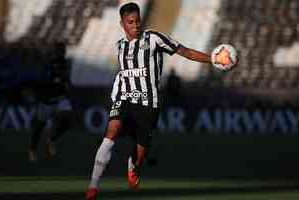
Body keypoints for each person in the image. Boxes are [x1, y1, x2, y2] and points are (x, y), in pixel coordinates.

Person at [85, 2, 232, 199]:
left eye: (137, 21)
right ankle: (93, 187)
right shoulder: (120, 46)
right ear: (122, 24)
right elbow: (122, 75)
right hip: (125, 99)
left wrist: (213, 59)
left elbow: (184, 51)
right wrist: (113, 96)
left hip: (149, 104)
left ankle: (134, 166)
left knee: (140, 152)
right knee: (111, 132)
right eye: (130, 22)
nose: (136, 25)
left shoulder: (154, 38)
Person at [28, 42, 75, 162]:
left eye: (63, 51)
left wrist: (67, 84)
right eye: (60, 51)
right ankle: (33, 149)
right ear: (55, 51)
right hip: (47, 100)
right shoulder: (47, 64)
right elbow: (43, 80)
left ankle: (52, 138)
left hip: (60, 98)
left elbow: (66, 79)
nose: (62, 53)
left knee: (68, 119)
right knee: (39, 127)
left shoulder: (65, 63)